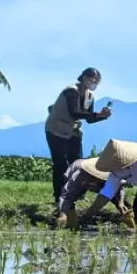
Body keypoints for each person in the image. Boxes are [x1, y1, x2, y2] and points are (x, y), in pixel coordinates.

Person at [44, 67, 112, 205]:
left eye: (96, 82)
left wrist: (102, 116)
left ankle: (77, 194)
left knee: (78, 164)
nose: (94, 84)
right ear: (84, 78)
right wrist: (96, 114)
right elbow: (74, 113)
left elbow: (89, 119)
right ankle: (58, 196)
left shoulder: (90, 96)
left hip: (73, 131)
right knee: (60, 164)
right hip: (56, 129)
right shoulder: (71, 91)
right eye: (92, 80)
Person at [56, 158, 134, 229]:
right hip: (79, 179)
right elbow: (66, 196)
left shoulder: (111, 174)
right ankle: (71, 225)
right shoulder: (79, 175)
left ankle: (133, 224)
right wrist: (63, 214)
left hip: (93, 181)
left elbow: (119, 187)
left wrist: (121, 201)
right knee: (70, 203)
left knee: (124, 205)